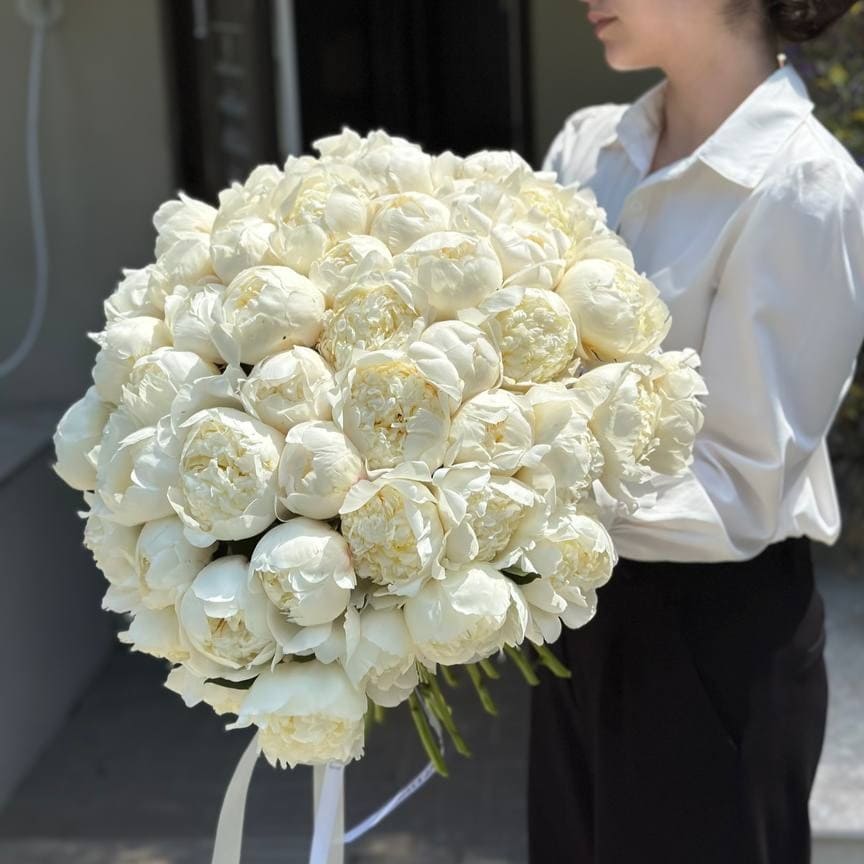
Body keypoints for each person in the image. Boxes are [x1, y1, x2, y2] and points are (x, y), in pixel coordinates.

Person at [528, 1, 864, 862]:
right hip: (574, 616)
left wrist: (506, 503)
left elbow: (741, 486)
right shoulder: (589, 148)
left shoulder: (803, 186)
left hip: (711, 642)